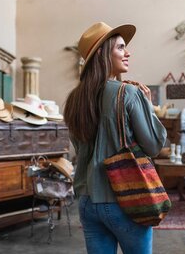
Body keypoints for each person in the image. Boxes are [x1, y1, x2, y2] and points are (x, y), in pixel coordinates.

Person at [64, 22, 167, 254]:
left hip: (88, 201)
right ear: (101, 53)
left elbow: (80, 148)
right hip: (125, 198)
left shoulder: (75, 99)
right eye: (120, 47)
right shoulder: (128, 93)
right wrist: (148, 106)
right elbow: (153, 145)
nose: (127, 52)